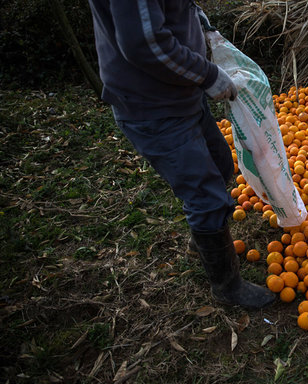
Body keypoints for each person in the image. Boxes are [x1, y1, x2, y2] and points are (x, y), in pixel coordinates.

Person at [87, 0, 274, 308]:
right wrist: (207, 75)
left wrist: (193, 15)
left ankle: (204, 240)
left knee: (220, 164)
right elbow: (143, 42)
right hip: (154, 106)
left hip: (180, 92)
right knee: (206, 195)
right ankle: (227, 286)